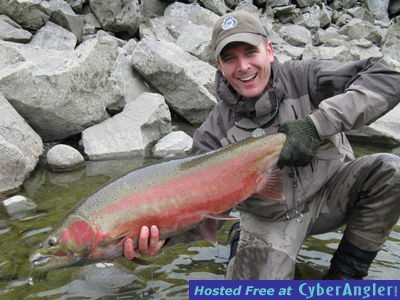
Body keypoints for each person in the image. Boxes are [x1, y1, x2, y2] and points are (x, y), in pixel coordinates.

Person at [123, 10, 400, 280]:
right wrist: (162, 240)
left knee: (392, 171)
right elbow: (194, 208)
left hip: (332, 195)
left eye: (250, 53)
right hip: (269, 219)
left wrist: (317, 125)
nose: (243, 67)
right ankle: (241, 238)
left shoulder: (305, 78)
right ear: (219, 65)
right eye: (230, 59)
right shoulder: (212, 134)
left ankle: (344, 277)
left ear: (269, 50)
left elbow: (387, 77)